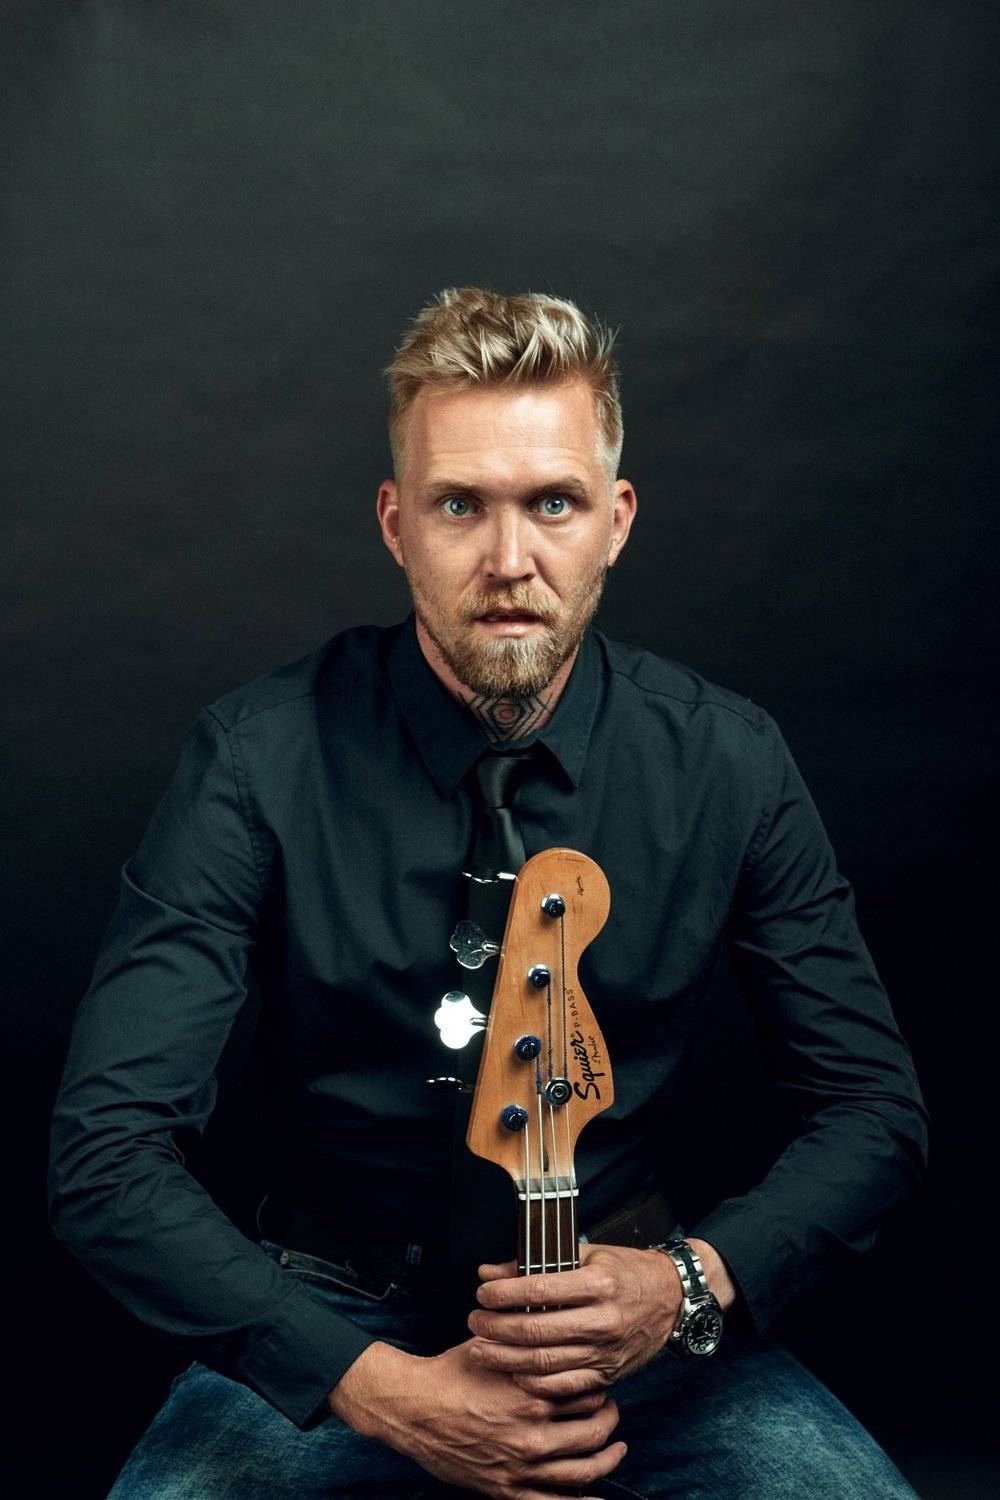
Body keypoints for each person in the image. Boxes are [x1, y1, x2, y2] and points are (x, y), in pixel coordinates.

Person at [48, 287, 928, 1499]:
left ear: (615, 521)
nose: (510, 562)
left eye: (552, 502)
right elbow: (106, 1151)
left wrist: (685, 1285)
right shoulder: (255, 760)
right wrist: (375, 1387)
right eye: (460, 504)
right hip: (336, 1325)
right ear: (395, 523)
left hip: (624, 1316)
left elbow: (874, 1109)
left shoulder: (725, 759)